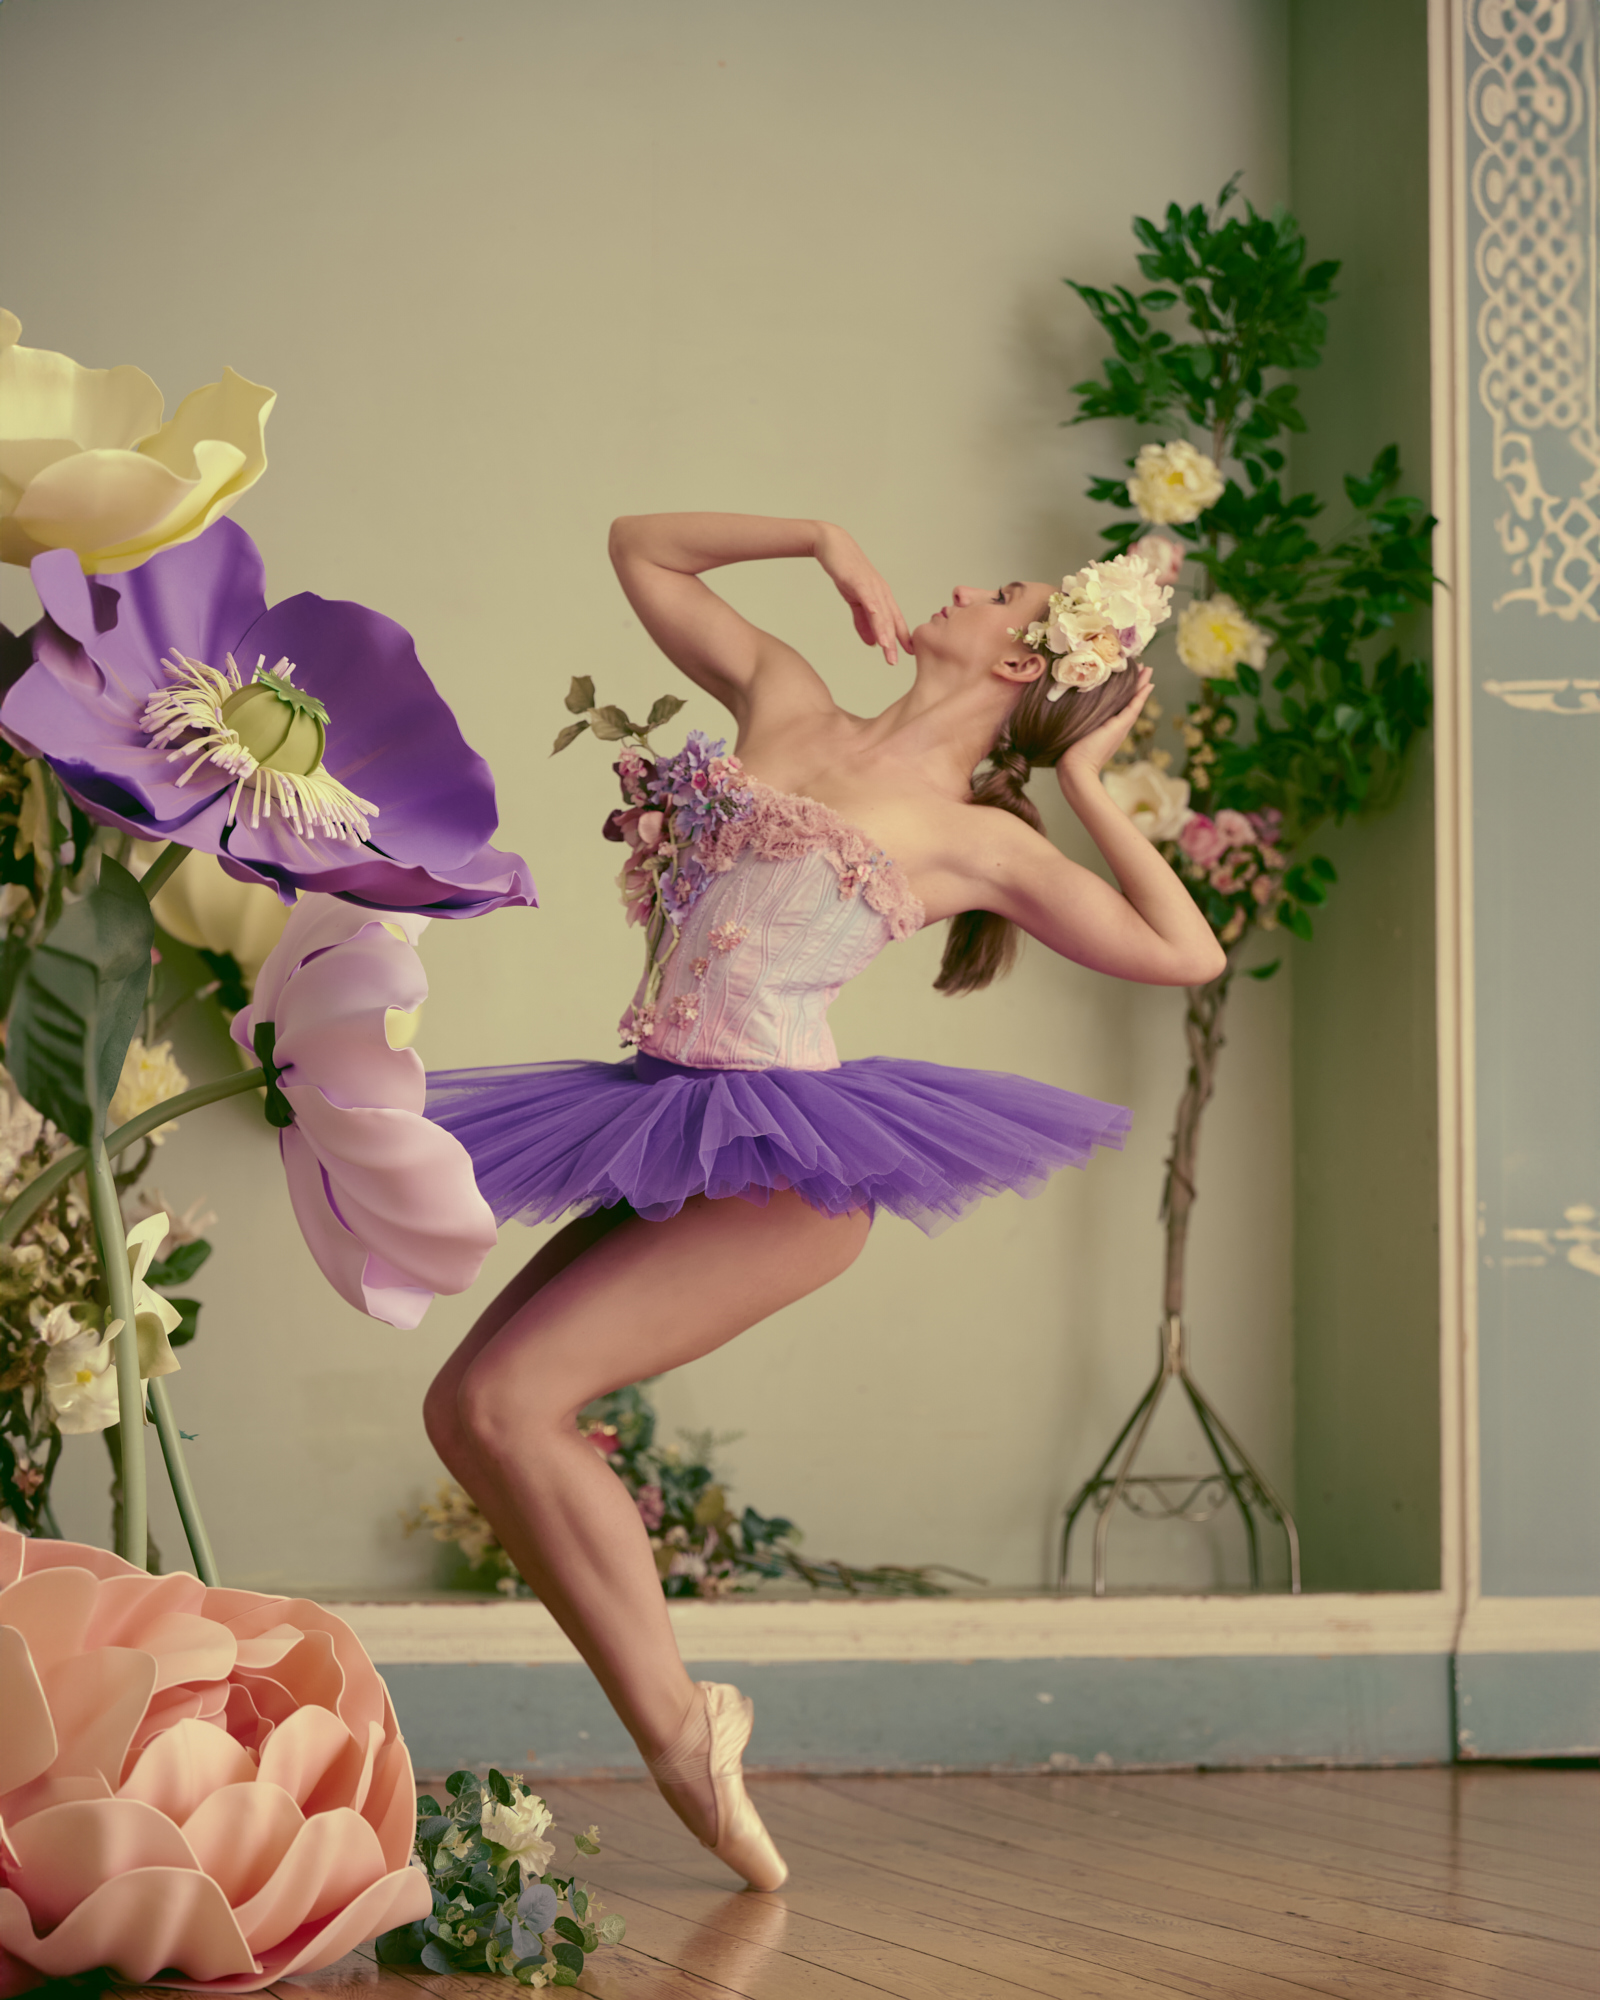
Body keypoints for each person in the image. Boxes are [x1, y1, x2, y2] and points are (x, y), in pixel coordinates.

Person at [423, 514, 1224, 1891]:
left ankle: (681, 1734)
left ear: (1032, 658)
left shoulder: (980, 842)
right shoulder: (788, 697)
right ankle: (681, 1720)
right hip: (670, 1118)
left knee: (510, 1405)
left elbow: (1185, 952)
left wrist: (1087, 775)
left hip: (787, 1175)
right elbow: (636, 549)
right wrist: (816, 539)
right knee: (464, 1411)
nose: (963, 581)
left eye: (1002, 590)